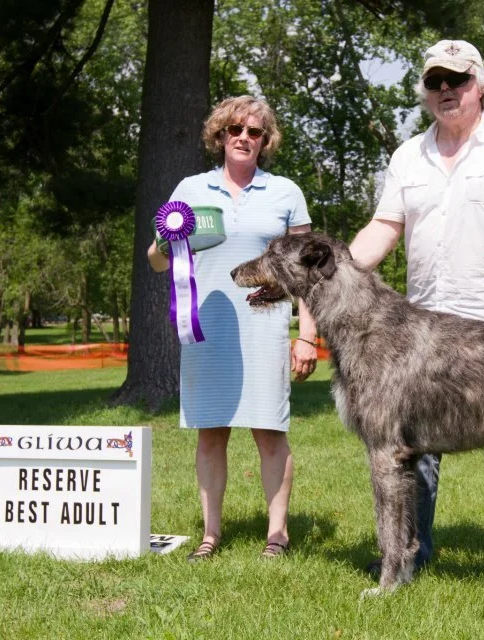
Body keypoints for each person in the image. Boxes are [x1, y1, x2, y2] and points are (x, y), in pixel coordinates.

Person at [348, 40, 484, 583]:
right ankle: (412, 554)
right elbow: (384, 228)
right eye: (436, 82)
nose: (446, 90)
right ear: (425, 92)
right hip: (423, 328)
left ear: (480, 86)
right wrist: (336, 272)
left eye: (457, 81)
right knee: (417, 448)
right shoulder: (407, 156)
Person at [147, 96, 318, 561]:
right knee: (211, 433)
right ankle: (210, 535)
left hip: (265, 327)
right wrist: (164, 243)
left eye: (255, 132)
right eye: (236, 129)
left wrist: (306, 335)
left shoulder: (285, 192)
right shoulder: (190, 187)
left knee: (270, 432)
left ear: (266, 141)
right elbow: (157, 261)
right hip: (208, 329)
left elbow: (307, 272)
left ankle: (277, 535)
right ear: (220, 135)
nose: (244, 138)